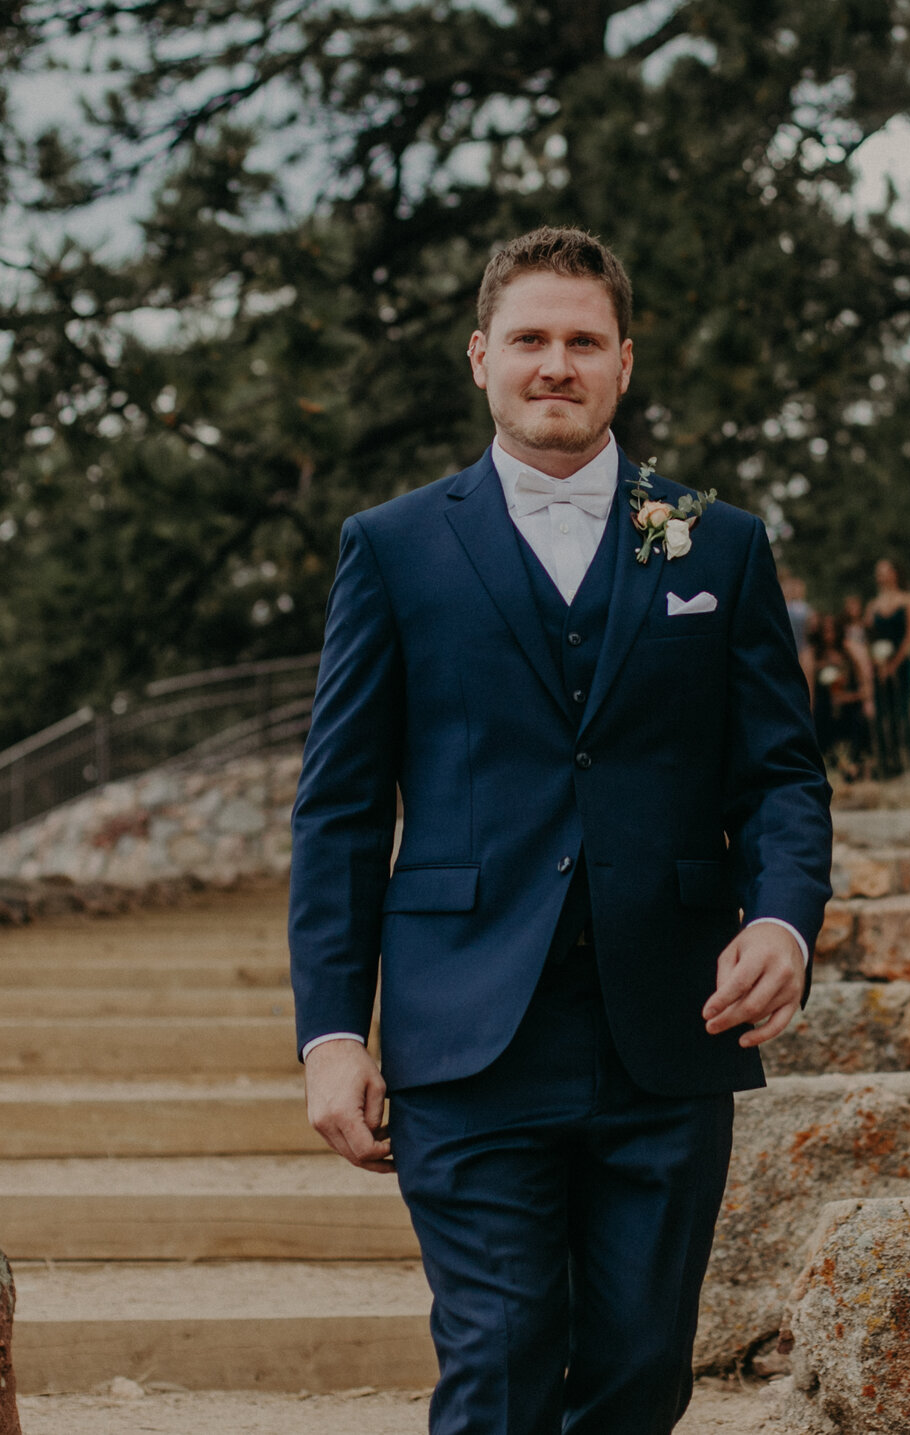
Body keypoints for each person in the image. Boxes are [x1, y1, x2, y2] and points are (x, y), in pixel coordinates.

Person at [288, 227, 833, 1435]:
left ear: (623, 364)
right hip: (465, 1031)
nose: (555, 362)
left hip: (667, 1027)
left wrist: (786, 918)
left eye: (582, 340)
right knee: (500, 1358)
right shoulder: (392, 547)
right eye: (529, 337)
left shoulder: (719, 542)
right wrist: (332, 1028)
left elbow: (781, 775)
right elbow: (336, 807)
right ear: (480, 355)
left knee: (640, 1373)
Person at [865, 559, 910, 777]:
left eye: (884, 571)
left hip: (901, 663)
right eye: (878, 572)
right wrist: (877, 662)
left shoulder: (909, 600)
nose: (880, 576)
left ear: (896, 573)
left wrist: (894, 663)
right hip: (879, 666)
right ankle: (889, 763)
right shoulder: (873, 606)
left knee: (903, 712)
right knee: (882, 714)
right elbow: (868, 637)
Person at [809, 611, 875, 778]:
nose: (829, 635)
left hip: (849, 704)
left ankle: (853, 766)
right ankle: (832, 765)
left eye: (832, 631)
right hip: (825, 706)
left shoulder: (849, 651)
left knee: (855, 721)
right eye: (825, 631)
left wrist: (851, 697)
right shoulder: (815, 655)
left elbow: (864, 686)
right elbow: (811, 687)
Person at [780, 571, 816, 703]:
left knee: (808, 688)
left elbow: (812, 628)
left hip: (803, 648)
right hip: (791, 648)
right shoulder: (787, 607)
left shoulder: (805, 608)